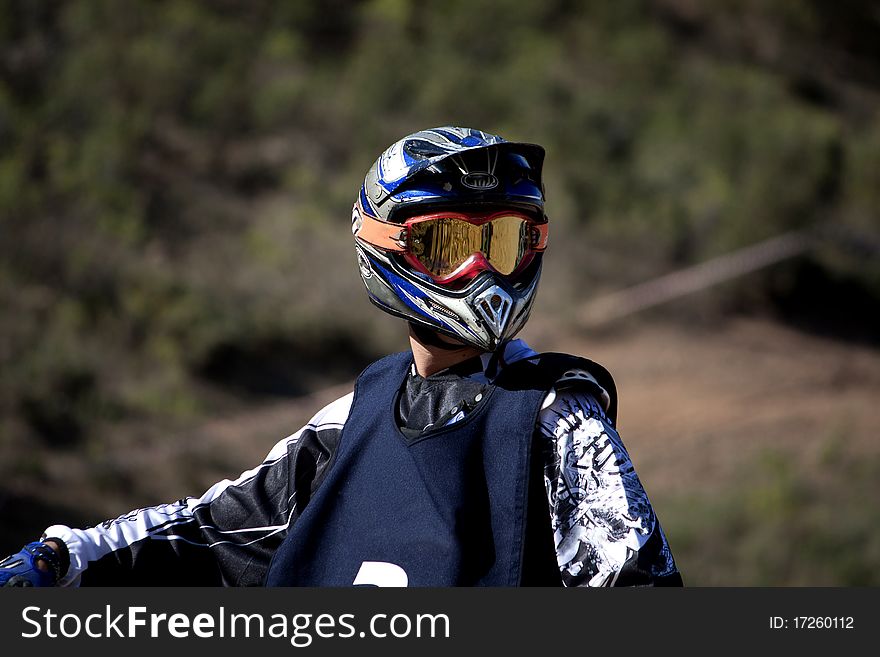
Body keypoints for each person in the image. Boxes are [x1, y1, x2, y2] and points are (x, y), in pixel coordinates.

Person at [1, 126, 682, 587]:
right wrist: (62, 557)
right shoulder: (352, 419)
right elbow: (206, 529)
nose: (482, 269)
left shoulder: (558, 423)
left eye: (504, 242)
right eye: (447, 245)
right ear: (385, 247)